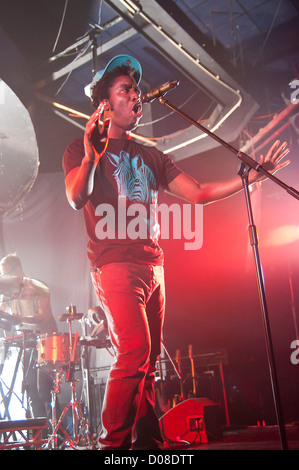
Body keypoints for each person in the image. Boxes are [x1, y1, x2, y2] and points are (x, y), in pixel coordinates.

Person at [62, 55, 290, 450]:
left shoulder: (151, 155)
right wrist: (89, 157)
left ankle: (150, 445)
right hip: (114, 266)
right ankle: (109, 447)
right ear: (105, 104)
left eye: (135, 89)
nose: (136, 95)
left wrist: (247, 177)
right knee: (135, 350)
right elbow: (75, 196)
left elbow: (198, 193)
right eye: (125, 90)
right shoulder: (80, 151)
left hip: (154, 268)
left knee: (148, 365)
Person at [0, 253, 58, 423]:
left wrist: (21, 319)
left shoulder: (37, 287)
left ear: (18, 270)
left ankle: (56, 437)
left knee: (44, 390)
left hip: (46, 342)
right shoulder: (9, 293)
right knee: (30, 390)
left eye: (6, 274)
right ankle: (40, 436)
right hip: (27, 344)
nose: (4, 278)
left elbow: (44, 318)